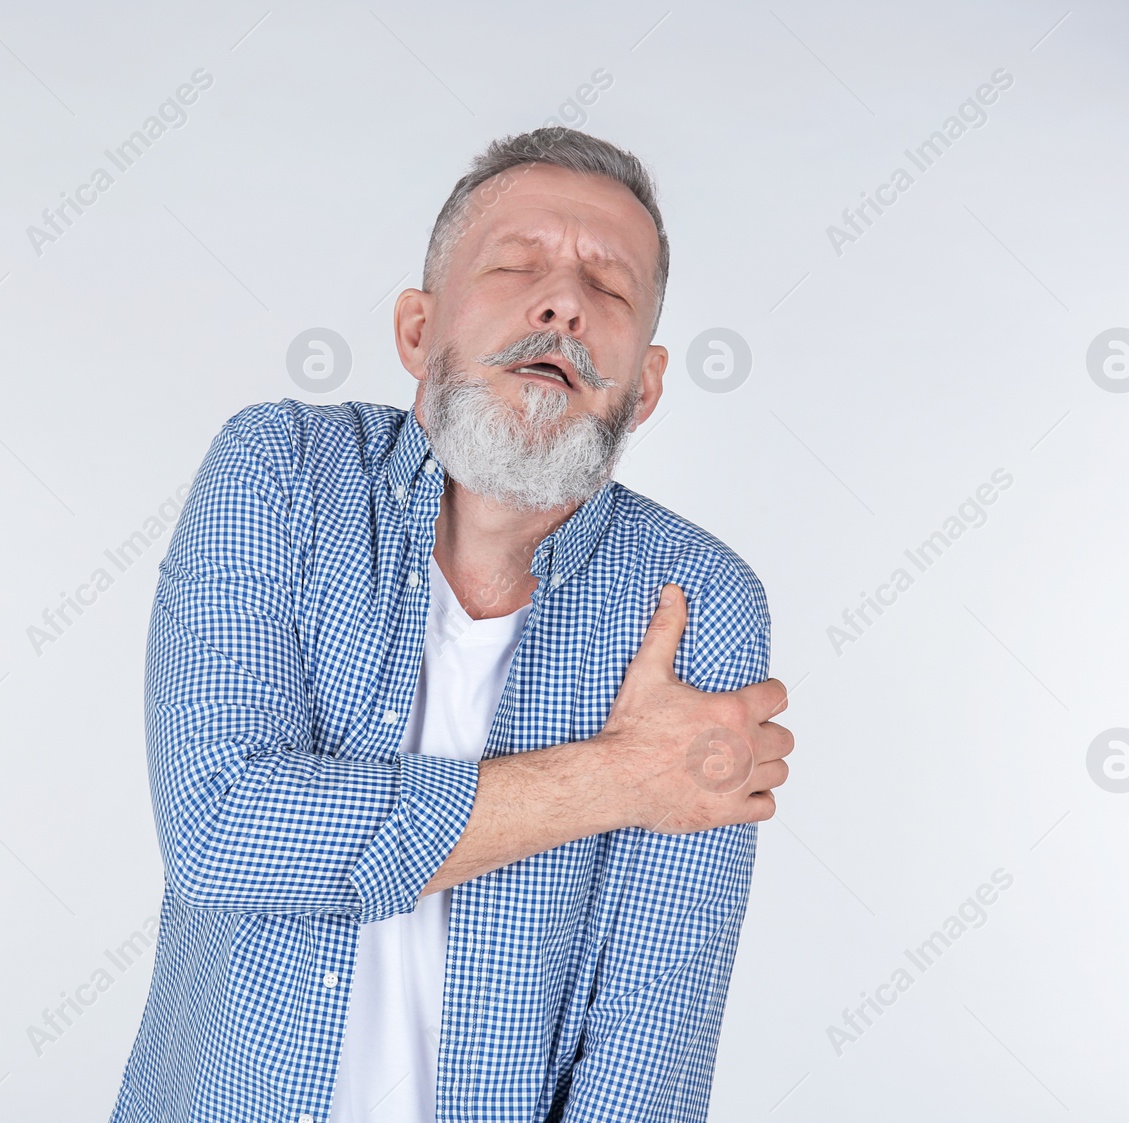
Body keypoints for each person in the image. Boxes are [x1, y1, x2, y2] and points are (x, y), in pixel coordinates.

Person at [110, 126, 794, 1123]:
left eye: (606, 289)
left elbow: (650, 1029)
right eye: (517, 265)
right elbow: (223, 831)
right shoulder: (280, 476)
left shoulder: (698, 604)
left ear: (642, 386)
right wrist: (620, 777)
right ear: (417, 331)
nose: (561, 302)